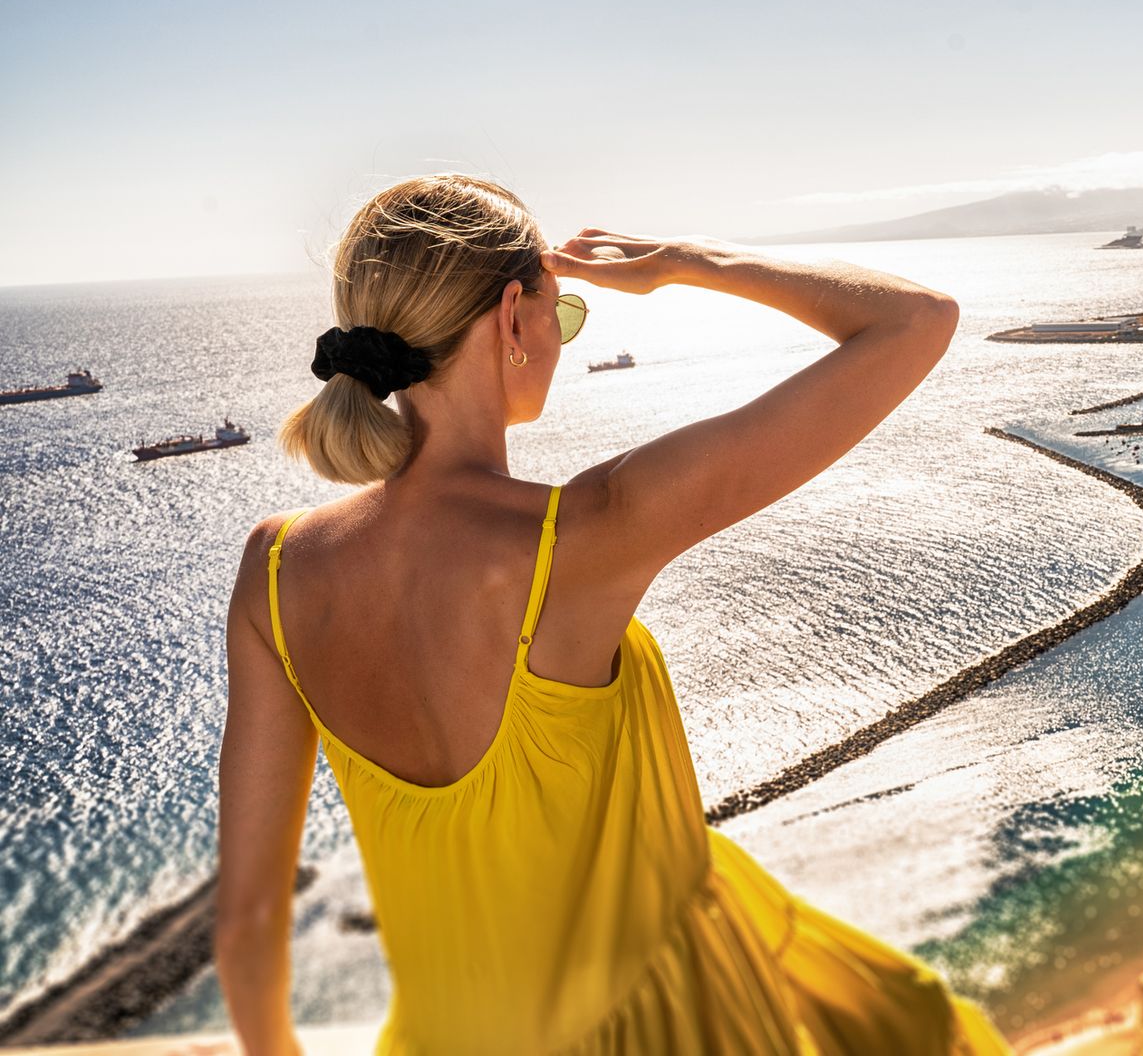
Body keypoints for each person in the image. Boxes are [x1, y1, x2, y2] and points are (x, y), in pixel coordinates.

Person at [213, 172, 1007, 1054]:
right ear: (514, 317)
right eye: (567, 310)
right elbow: (918, 319)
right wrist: (685, 261)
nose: (563, 332)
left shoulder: (274, 570)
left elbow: (248, 922)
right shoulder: (583, 537)